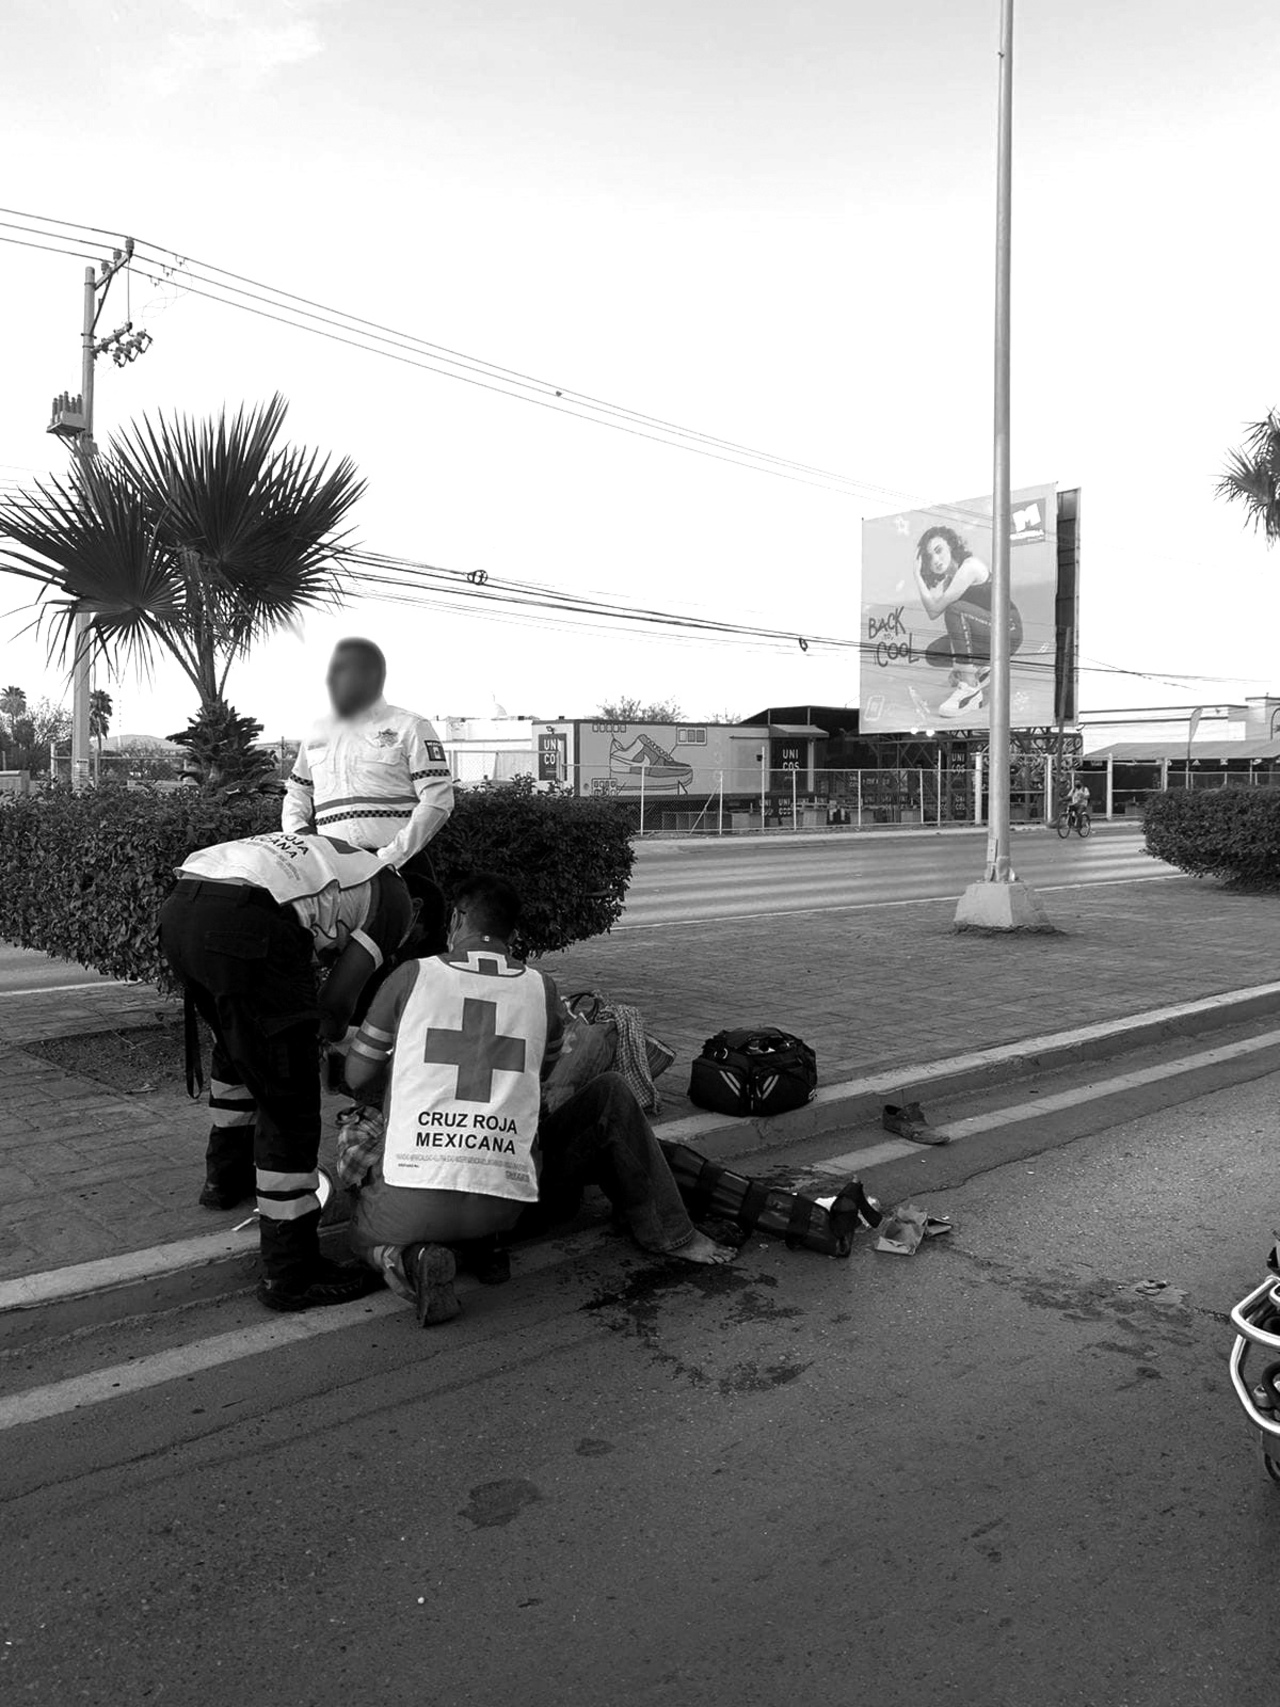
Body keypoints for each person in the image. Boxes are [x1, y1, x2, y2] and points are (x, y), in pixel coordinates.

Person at [340, 873, 736, 1327]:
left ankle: (404, 1257)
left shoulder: (412, 976)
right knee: (610, 1091)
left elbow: (356, 1075)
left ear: (457, 919)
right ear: (513, 932)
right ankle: (672, 1234)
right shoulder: (541, 988)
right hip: (512, 1207)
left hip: (407, 1208)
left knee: (358, 1155)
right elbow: (540, 1072)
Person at [159, 830, 413, 1312]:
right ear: (418, 908)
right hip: (247, 925)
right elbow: (335, 1004)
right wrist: (344, 1043)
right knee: (289, 1101)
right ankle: (290, 1273)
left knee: (236, 1052)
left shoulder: (342, 864)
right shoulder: (396, 901)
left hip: (183, 909)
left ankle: (224, 1181)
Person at [283, 638, 454, 950]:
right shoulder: (318, 732)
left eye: (341, 671)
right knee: (348, 966)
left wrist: (389, 857)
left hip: (402, 870)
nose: (331, 680)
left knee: (415, 962)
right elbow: (297, 789)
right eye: (332, 671)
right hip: (338, 875)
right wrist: (302, 836)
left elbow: (438, 799)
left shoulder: (410, 726)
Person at [914, 524, 1024, 720]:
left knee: (955, 610)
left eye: (938, 550)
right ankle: (982, 669)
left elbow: (934, 610)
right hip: (987, 632)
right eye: (929, 557)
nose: (936, 560)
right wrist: (959, 663)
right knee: (933, 653)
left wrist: (917, 577)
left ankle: (970, 688)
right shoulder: (949, 581)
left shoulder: (970, 567)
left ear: (952, 545)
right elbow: (936, 609)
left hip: (1008, 630)